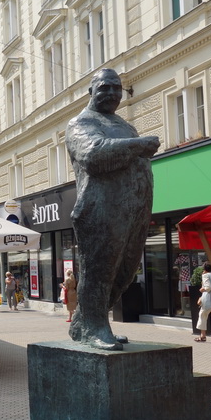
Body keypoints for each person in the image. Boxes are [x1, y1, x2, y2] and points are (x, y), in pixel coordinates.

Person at [65, 68, 160, 350]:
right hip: (100, 209)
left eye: (117, 88)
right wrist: (139, 145)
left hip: (133, 208)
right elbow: (93, 155)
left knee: (125, 273)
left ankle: (84, 324)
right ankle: (95, 328)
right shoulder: (80, 122)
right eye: (105, 87)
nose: (112, 93)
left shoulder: (123, 124)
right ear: (91, 91)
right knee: (99, 272)